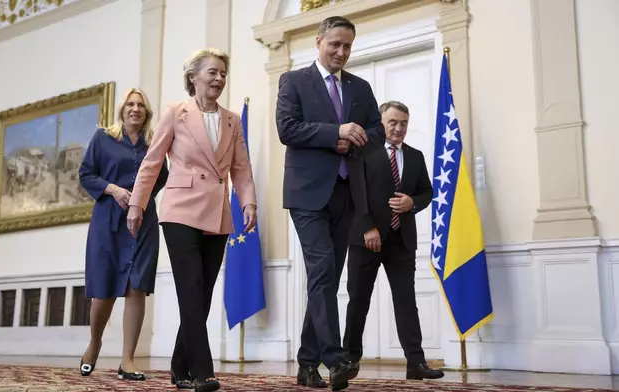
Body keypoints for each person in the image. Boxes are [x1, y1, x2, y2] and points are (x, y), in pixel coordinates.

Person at [127, 48, 257, 392]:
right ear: (193, 76)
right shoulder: (176, 113)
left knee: (203, 293)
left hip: (218, 212)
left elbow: (241, 168)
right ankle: (203, 371)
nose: (218, 79)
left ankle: (178, 366)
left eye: (223, 74)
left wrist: (248, 203)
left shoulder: (232, 119)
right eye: (212, 72)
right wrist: (137, 205)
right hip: (180, 209)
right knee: (191, 288)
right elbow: (152, 163)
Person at [276, 15, 385, 390]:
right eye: (334, 44)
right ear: (318, 41)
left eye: (347, 46)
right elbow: (286, 128)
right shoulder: (294, 81)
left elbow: (378, 132)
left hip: (346, 194)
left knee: (327, 277)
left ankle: (307, 366)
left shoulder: (360, 87)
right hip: (307, 194)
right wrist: (333, 133)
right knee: (323, 269)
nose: (341, 52)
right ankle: (335, 357)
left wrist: (355, 138)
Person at [344, 101, 444, 380]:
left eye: (403, 123)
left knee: (406, 301)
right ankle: (349, 361)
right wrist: (367, 228)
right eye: (393, 122)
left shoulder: (415, 156)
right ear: (381, 122)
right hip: (366, 239)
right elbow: (355, 193)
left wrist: (412, 203)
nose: (398, 128)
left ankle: (416, 363)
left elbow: (427, 192)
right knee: (358, 301)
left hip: (402, 240)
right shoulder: (363, 150)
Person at [78, 88, 169, 381]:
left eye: (141, 104)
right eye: (130, 104)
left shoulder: (153, 143)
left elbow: (162, 176)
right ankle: (94, 343)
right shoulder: (103, 138)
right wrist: (113, 189)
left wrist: (140, 200)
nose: (135, 108)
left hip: (143, 221)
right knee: (104, 290)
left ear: (147, 112)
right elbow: (86, 174)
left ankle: (128, 359)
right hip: (107, 222)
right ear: (122, 110)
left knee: (137, 287)